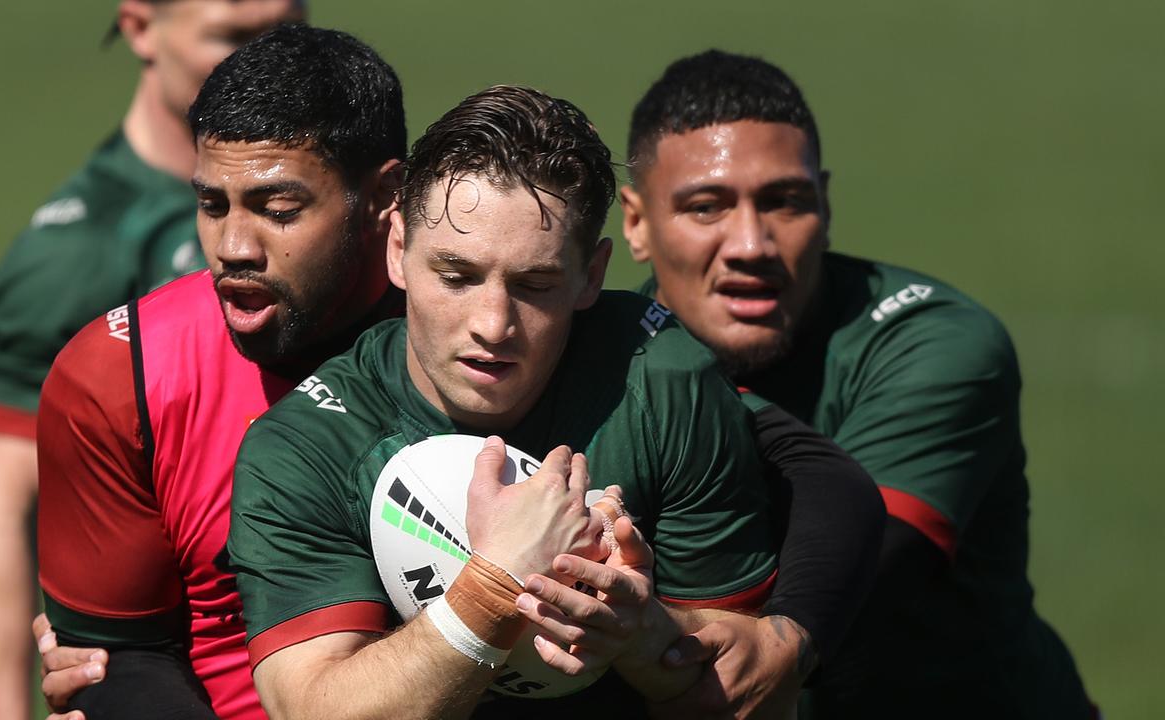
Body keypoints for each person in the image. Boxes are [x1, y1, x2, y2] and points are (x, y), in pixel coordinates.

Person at [226, 84, 874, 720]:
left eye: (535, 284)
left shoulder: (663, 383)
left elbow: (743, 692)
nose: (493, 323)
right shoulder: (307, 446)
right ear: (398, 249)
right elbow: (314, 706)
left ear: (592, 273)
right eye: (456, 276)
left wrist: (639, 630)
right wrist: (496, 582)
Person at [620, 50, 1095, 717]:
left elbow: (848, 569)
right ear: (636, 222)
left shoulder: (935, 345)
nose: (751, 243)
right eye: (707, 208)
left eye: (786, 201)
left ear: (826, 201)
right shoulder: (613, 359)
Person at [33, 23, 403, 720]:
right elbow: (115, 661)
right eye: (211, 204)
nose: (233, 247)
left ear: (385, 196)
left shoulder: (489, 343)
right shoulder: (117, 378)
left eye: (278, 209)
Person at [0, 2, 302, 717]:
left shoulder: (360, 215)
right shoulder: (74, 256)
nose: (264, 63)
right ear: (141, 26)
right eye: (231, 39)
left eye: (284, 33)